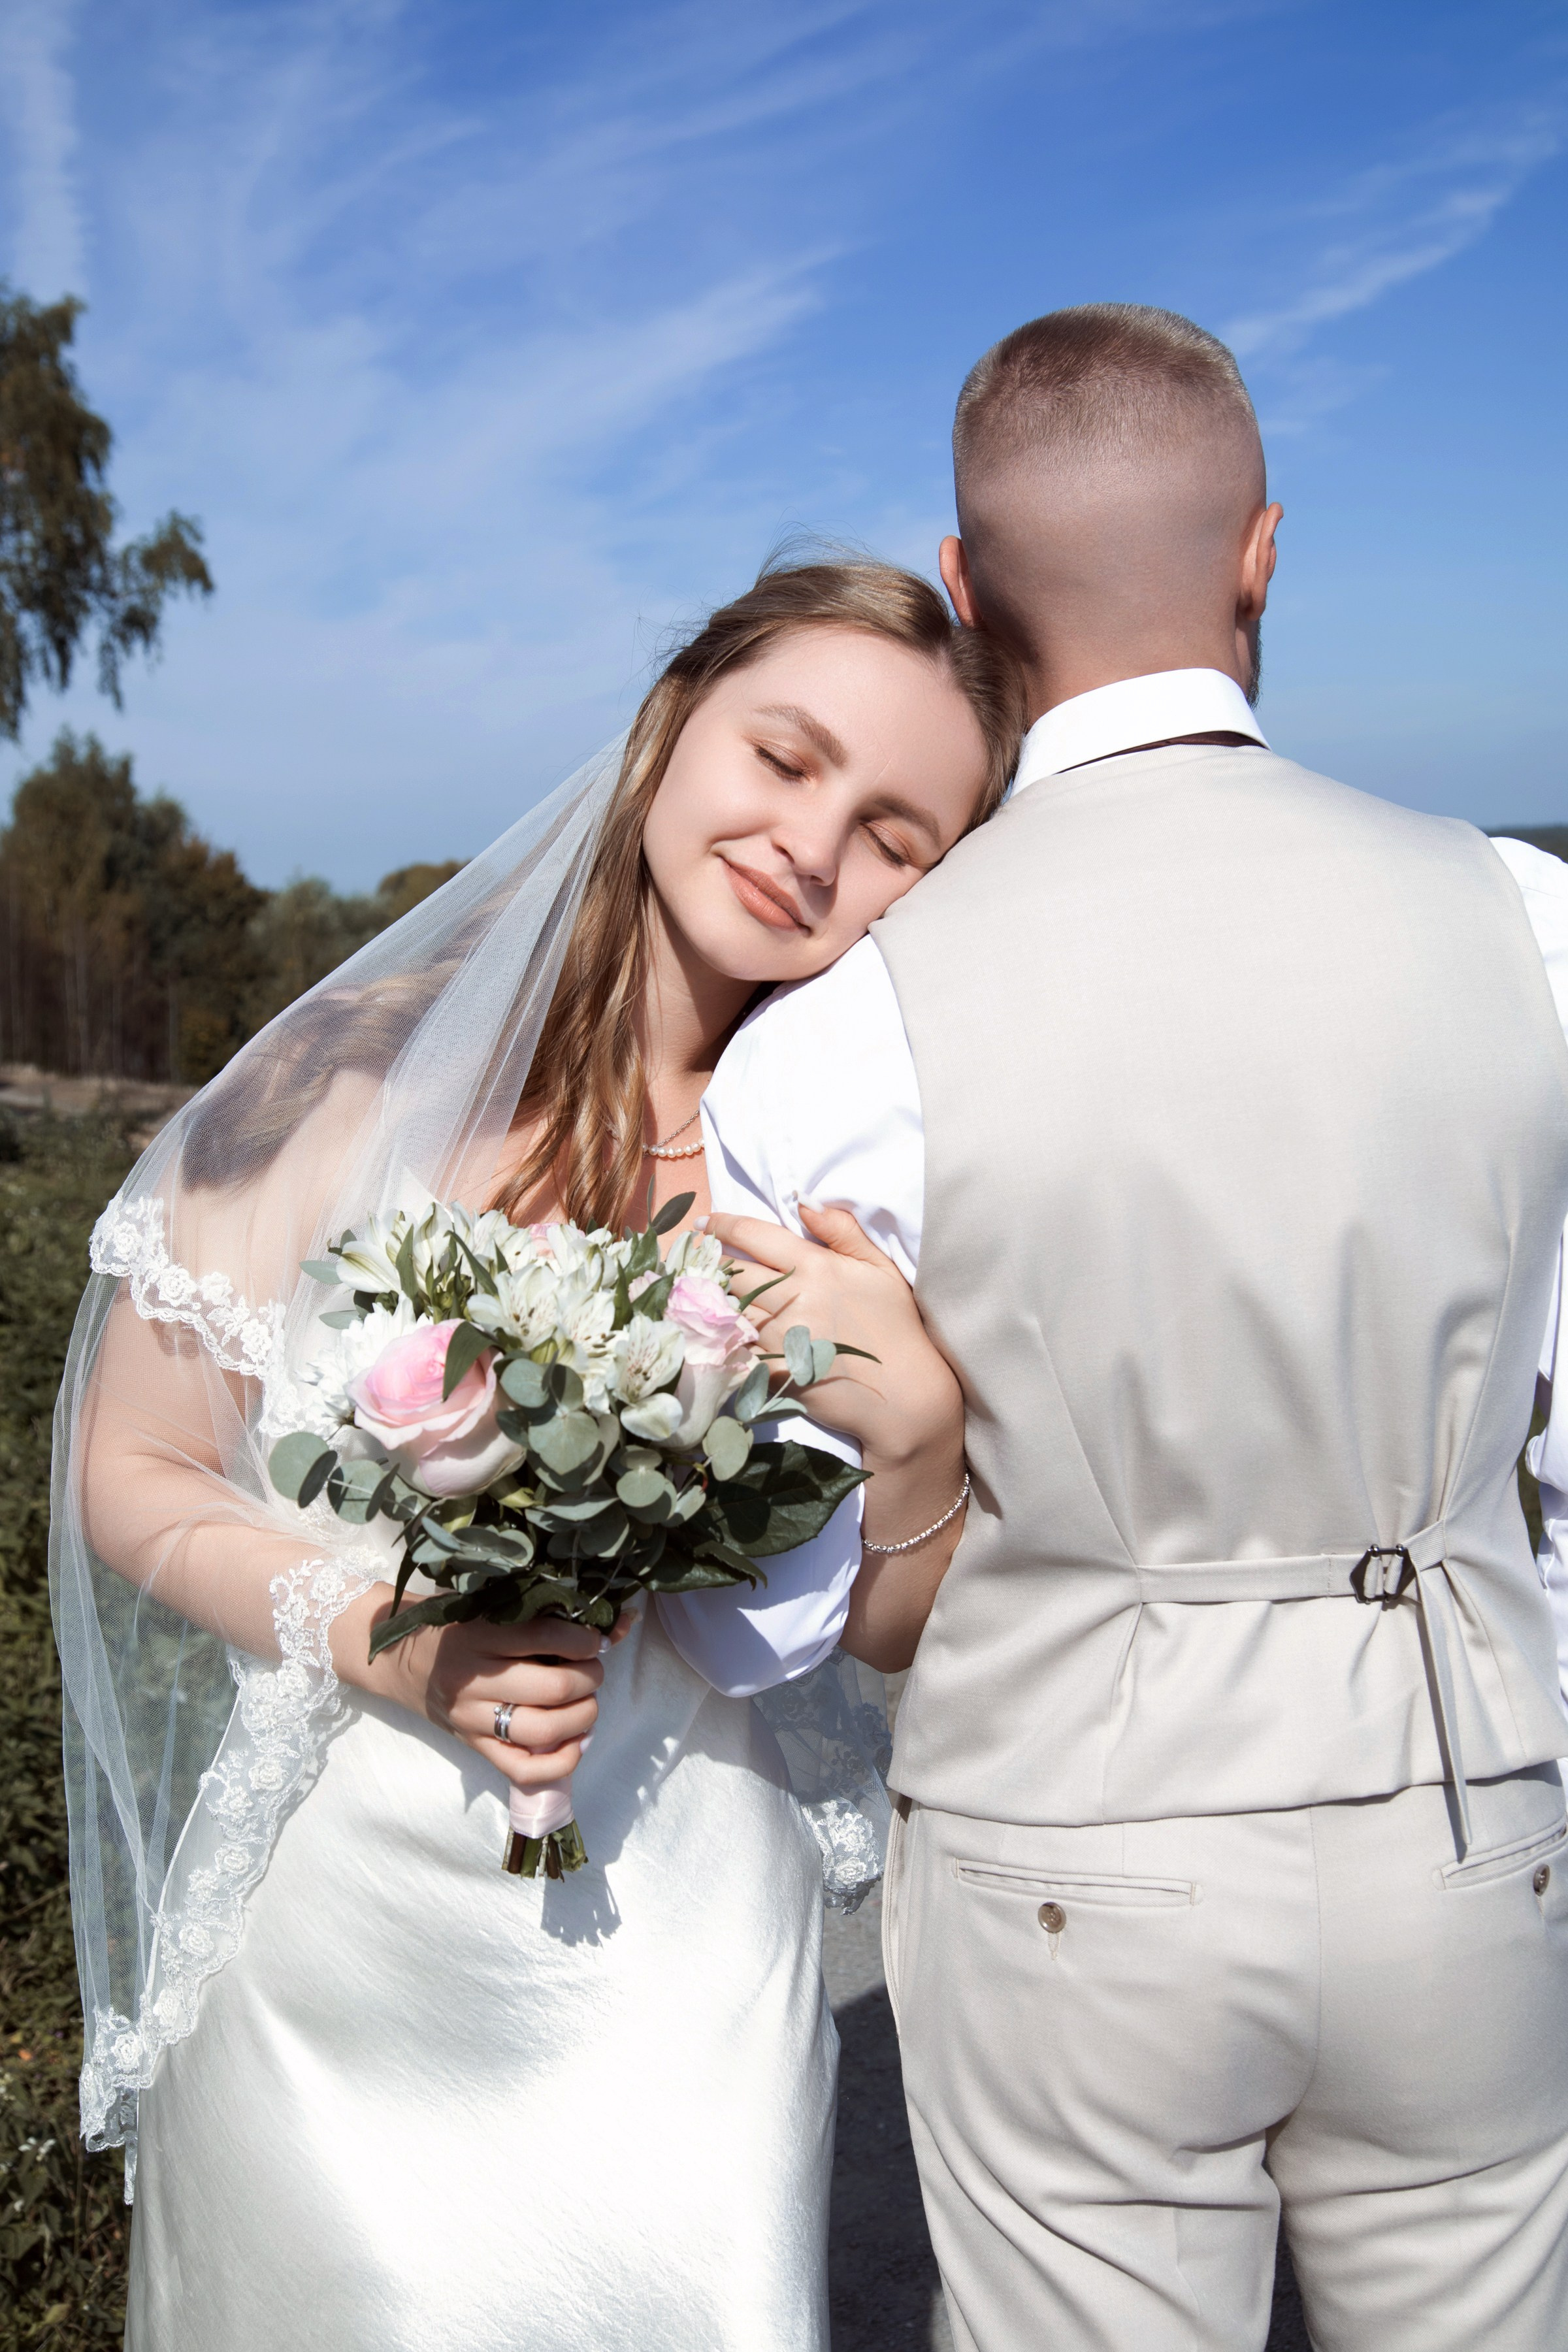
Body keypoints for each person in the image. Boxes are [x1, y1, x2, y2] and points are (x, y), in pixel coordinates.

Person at [702, 305, 1568, 2350]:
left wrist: (924, 1464)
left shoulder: (839, 1043)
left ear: (964, 585)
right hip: (1467, 1809)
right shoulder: (1530, 923)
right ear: (1261, 553)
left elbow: (759, 1609)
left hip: (1070, 1854)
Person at [56, 557, 1024, 2351]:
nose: (813, 845)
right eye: (784, 756)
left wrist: (924, 1443)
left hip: (687, 1948)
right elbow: (133, 1471)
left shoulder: (856, 1193)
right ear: (674, 727)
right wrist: (382, 1633)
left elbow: (885, 1638)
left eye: (898, 835)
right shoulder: (345, 1083)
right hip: (352, 1946)